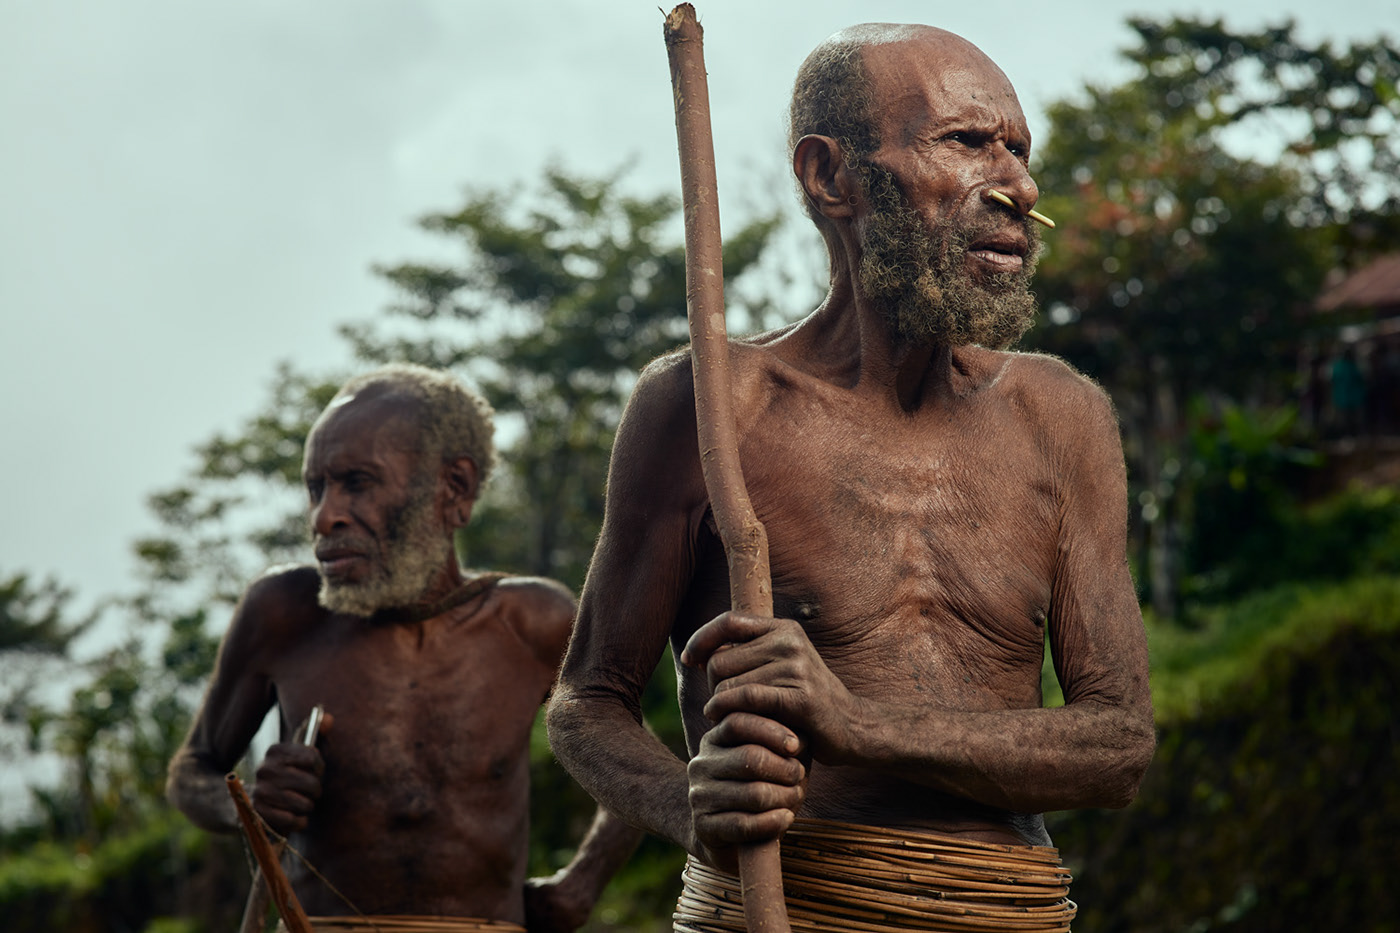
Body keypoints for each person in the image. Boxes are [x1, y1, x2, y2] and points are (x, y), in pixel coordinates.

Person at [546, 23, 1155, 930]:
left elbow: (1119, 743)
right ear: (830, 177)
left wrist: (856, 723)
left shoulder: (1060, 417)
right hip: (780, 908)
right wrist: (690, 806)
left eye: (1018, 152)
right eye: (965, 142)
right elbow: (585, 703)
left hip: (1010, 909)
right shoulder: (712, 407)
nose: (1019, 188)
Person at [167, 364, 639, 933]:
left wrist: (579, 888)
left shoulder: (533, 622)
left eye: (357, 483)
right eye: (315, 488)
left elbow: (632, 765)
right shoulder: (282, 613)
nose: (324, 517)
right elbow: (193, 770)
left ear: (453, 489)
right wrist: (245, 808)